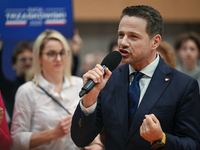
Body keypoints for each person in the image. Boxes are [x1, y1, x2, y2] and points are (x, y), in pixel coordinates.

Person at [71, 5, 200, 150]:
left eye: (133, 36)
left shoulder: (184, 85)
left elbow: (193, 145)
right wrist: (89, 100)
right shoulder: (109, 79)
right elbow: (80, 139)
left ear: (155, 41)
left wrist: (161, 138)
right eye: (121, 35)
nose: (123, 42)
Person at [11, 29, 103, 150]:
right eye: (51, 53)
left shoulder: (81, 84)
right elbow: (16, 140)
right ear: (39, 57)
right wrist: (54, 133)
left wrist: (97, 145)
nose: (59, 58)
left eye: (62, 52)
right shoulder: (27, 91)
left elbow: (91, 127)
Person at [0, 40, 33, 121]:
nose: (28, 63)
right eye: (23, 59)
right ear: (13, 65)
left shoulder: (43, 86)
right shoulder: (9, 88)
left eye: (31, 59)